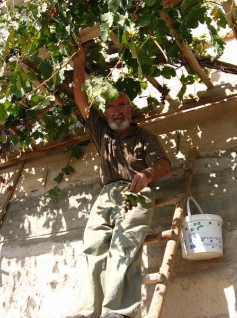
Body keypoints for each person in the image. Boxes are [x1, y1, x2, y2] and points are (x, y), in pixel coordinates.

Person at [68, 42, 171, 318]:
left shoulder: (146, 137)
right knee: (93, 246)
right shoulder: (102, 133)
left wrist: (146, 175)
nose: (115, 110)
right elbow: (81, 99)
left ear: (130, 110)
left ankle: (118, 312)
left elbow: (163, 163)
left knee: (124, 244)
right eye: (110, 106)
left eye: (121, 105)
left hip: (135, 192)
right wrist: (79, 63)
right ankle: (87, 311)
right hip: (105, 196)